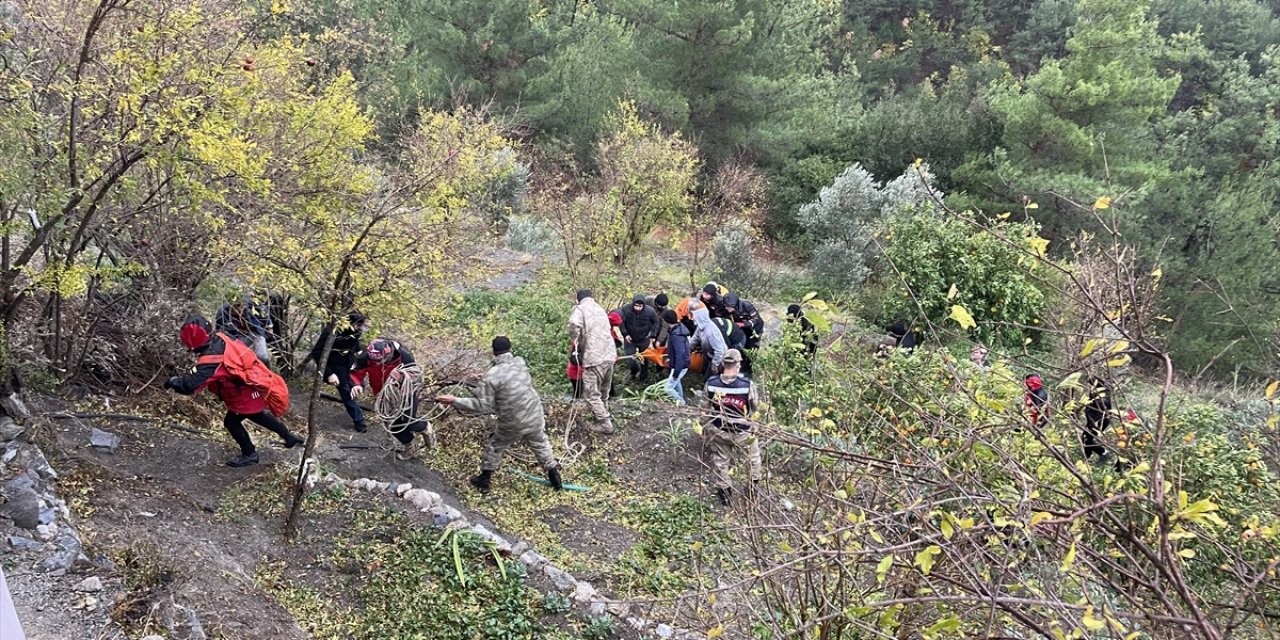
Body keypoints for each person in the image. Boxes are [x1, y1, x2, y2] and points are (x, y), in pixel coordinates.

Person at [164, 316, 303, 467]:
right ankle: (288, 437)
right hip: (251, 387)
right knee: (257, 415)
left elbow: (189, 386)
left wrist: (172, 382)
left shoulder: (210, 361)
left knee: (231, 422)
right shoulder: (220, 337)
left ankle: (249, 453)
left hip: (243, 393)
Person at [436, 336, 562, 493]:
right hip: (535, 414)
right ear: (510, 348)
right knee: (540, 443)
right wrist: (484, 377)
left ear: (493, 352)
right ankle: (555, 478)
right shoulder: (520, 363)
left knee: (495, 445)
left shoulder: (492, 376)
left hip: (513, 421)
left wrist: (454, 400)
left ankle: (484, 480)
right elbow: (507, 377)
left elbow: (481, 406)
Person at [349, 338, 430, 460]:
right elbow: (355, 372)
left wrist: (401, 378)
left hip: (405, 392)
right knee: (392, 424)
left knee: (407, 421)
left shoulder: (403, 355)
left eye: (379, 360)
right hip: (382, 393)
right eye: (373, 361)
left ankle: (424, 426)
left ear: (388, 354)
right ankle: (410, 446)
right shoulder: (367, 356)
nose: (376, 363)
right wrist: (356, 385)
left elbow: (415, 375)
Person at [700, 349, 762, 506]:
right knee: (752, 459)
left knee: (721, 461)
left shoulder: (712, 383)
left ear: (722, 364)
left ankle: (725, 494)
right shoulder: (746, 385)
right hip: (743, 432)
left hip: (719, 431)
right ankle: (752, 489)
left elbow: (704, 409)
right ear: (738, 364)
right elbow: (756, 407)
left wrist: (705, 428)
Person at [308, 310, 370, 432]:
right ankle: (359, 421)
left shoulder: (355, 332)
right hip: (335, 366)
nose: (362, 329)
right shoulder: (332, 332)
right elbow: (317, 352)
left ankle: (356, 408)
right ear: (352, 323)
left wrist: (358, 355)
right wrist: (329, 373)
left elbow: (354, 344)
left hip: (350, 364)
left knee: (358, 385)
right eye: (360, 326)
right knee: (346, 392)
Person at [569, 289, 617, 434]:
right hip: (609, 355)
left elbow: (573, 323)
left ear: (578, 299)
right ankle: (604, 412)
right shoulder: (600, 309)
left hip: (593, 356)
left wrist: (575, 340)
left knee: (590, 394)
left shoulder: (580, 309)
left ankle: (605, 423)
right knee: (604, 391)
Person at [216, 297, 271, 363]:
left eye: (241, 306)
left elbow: (265, 317)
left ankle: (267, 371)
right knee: (237, 360)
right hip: (234, 338)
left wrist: (270, 326)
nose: (239, 310)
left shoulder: (252, 308)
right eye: (235, 307)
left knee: (262, 357)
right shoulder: (223, 313)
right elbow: (219, 331)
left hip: (254, 335)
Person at [619, 294, 661, 382]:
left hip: (644, 339)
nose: (638, 308)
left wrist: (653, 335)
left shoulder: (650, 311)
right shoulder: (626, 309)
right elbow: (621, 321)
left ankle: (643, 377)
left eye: (640, 306)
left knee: (644, 359)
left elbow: (656, 322)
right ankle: (634, 371)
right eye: (636, 306)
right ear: (633, 304)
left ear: (644, 306)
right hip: (630, 339)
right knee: (630, 359)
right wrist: (625, 334)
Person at [689, 301, 727, 375]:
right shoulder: (700, 327)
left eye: (694, 316)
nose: (692, 319)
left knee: (710, 376)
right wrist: (687, 349)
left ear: (699, 317)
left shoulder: (711, 332)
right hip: (708, 353)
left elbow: (719, 351)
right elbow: (694, 339)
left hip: (718, 358)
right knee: (704, 369)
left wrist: (715, 365)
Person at [662, 309, 691, 405]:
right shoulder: (676, 330)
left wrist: (676, 373)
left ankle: (682, 403)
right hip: (678, 364)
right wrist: (671, 358)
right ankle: (681, 400)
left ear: (666, 321)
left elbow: (680, 355)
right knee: (677, 383)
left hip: (680, 366)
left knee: (668, 388)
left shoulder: (677, 336)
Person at [1082, 377, 1111, 461]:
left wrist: (1093, 424)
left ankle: (1103, 452)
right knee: (1087, 438)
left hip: (1098, 420)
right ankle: (1087, 457)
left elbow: (1100, 411)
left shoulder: (1102, 397)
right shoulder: (1098, 391)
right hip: (1094, 418)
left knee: (1086, 438)